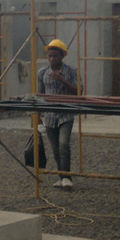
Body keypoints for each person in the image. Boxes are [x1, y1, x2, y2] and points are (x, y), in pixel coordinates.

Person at [38, 39, 80, 189]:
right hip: (49, 116)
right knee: (55, 149)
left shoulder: (71, 71)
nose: (52, 59)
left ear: (62, 56)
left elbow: (78, 91)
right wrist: (38, 116)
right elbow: (39, 95)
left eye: (55, 56)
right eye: (49, 56)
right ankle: (61, 177)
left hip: (65, 114)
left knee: (63, 144)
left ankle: (67, 177)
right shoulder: (42, 73)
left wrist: (62, 80)